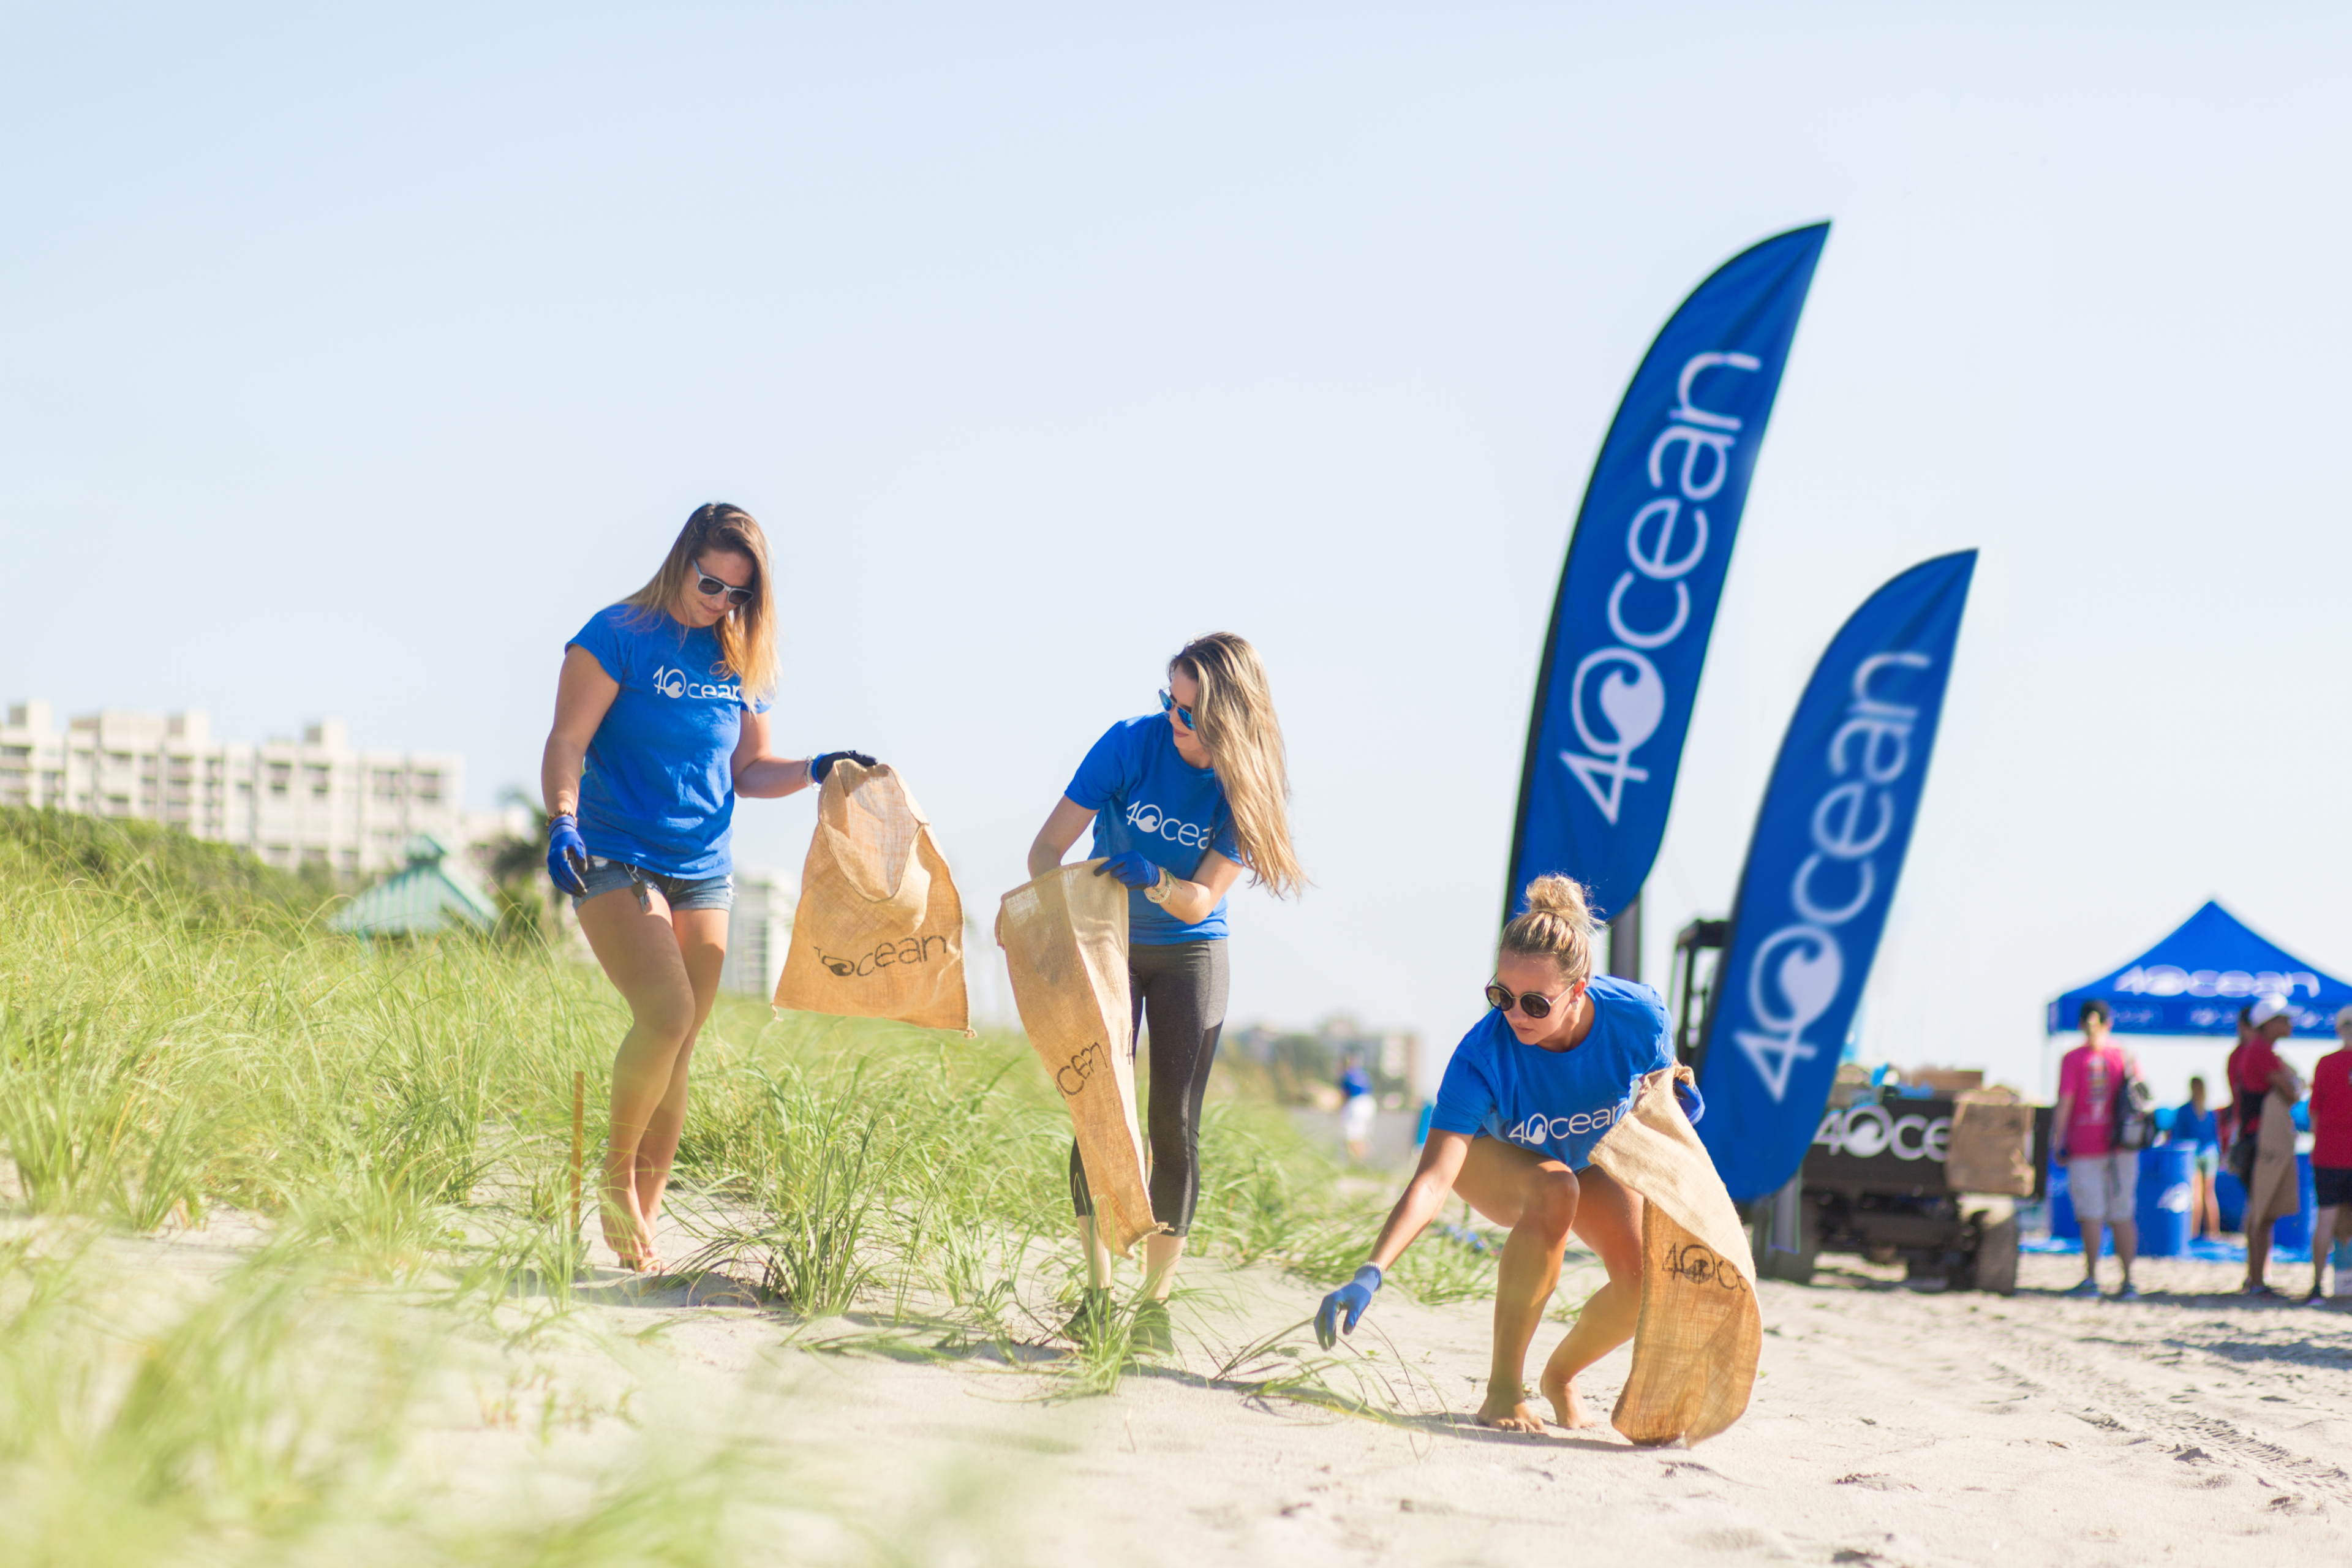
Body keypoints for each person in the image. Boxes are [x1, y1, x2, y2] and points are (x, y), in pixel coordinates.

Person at [541, 502, 874, 1272]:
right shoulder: (616, 633)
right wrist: (563, 819)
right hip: (615, 851)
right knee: (666, 1011)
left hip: (703, 869)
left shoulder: (738, 657)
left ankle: (641, 1239)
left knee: (682, 1046)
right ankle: (615, 1177)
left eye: (737, 593)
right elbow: (566, 740)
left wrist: (818, 769)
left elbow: (748, 772)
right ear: (681, 557)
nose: (720, 601)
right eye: (710, 582)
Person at [1311, 876, 1686, 1433]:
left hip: (1590, 1158)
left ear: (1579, 991)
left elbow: (1664, 1112)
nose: (1515, 1014)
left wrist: (1678, 1100)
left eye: (1535, 1002)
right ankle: (1503, 1390)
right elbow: (1433, 1181)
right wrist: (1372, 1271)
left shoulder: (1638, 1017)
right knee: (1556, 1188)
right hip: (1500, 1160)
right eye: (1501, 996)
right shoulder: (1482, 1055)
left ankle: (1560, 1377)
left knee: (1645, 1281)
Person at [1025, 633, 1305, 1348]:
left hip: (1190, 954)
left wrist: (1152, 874)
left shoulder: (1249, 786)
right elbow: (1046, 848)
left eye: (1190, 713)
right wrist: (1052, 922)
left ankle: (1155, 1304)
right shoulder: (1128, 745)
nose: (1174, 721)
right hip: (1106, 941)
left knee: (1172, 1123)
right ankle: (1096, 1293)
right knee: (1100, 1113)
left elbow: (1201, 902)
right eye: (1170, 703)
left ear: (1229, 721)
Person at [2052, 999, 2143, 1300]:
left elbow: (2066, 1101)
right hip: (2123, 1146)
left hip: (2085, 1144)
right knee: (2122, 1212)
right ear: (2109, 1023)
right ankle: (2128, 1281)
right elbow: (2141, 1098)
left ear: (2081, 1024)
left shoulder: (2073, 1058)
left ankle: (2092, 1278)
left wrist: (2057, 1140)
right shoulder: (2125, 1055)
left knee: (2091, 1213)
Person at [2234, 995, 2307, 1296]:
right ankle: (2256, 1280)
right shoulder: (2262, 1052)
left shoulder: (2259, 1051)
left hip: (2256, 1140)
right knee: (2261, 1212)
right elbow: (2291, 1092)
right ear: (2270, 1023)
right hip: (2260, 1142)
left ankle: (2256, 1278)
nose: (2290, 1024)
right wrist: (2294, 1082)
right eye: (2284, 1019)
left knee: (2262, 1212)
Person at [2306, 1006, 2352, 1302]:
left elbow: (2313, 1114)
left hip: (2328, 1154)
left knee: (2325, 1221)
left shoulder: (2326, 1063)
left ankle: (2317, 1287)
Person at [2168, 1076, 2223, 1240]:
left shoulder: (2185, 1111)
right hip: (2211, 1154)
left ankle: (2192, 1233)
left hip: (2193, 1155)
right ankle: (2214, 1233)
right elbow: (2216, 1136)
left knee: (2196, 1195)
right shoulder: (2209, 1112)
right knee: (2210, 1195)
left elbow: (2176, 1137)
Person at [1340, 1054, 1376, 1164]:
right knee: (1362, 1136)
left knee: (1351, 1136)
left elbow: (1344, 1095)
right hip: (1369, 1103)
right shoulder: (1364, 1074)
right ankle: (1365, 1163)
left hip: (1356, 1104)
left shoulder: (1347, 1076)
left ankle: (1357, 1163)